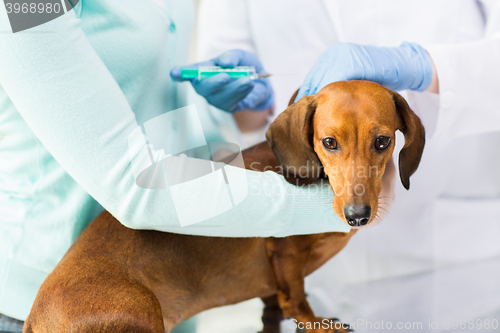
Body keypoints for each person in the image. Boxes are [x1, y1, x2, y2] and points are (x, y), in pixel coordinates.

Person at [0, 0, 355, 331]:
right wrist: (346, 201)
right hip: (59, 306)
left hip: (168, 276)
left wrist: (231, 111)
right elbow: (135, 189)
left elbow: (159, 117)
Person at [195, 0, 500, 328]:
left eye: (381, 142)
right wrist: (245, 100)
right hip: (314, 260)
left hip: (454, 259)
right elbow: (232, 120)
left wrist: (425, 66)